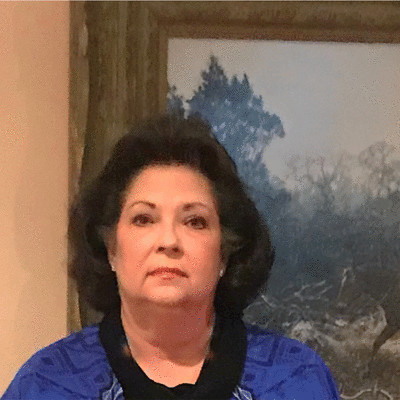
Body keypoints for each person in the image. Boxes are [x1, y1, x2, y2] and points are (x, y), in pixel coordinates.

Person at [2, 115, 339, 399]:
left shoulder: (297, 379)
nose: (169, 241)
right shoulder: (46, 385)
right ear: (110, 248)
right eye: (143, 219)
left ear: (225, 253)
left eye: (195, 221)